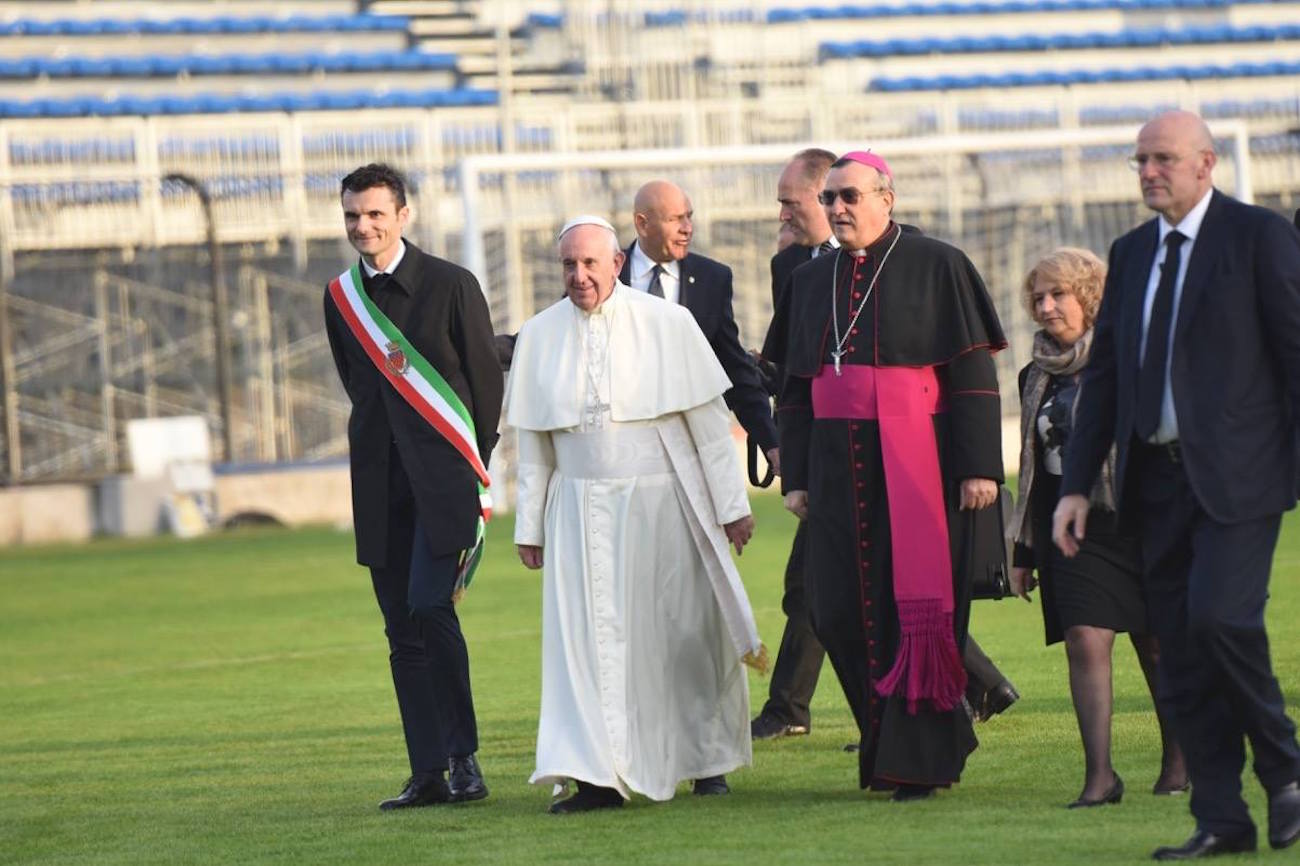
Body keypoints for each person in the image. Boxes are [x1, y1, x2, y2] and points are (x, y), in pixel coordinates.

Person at [1054, 110, 1300, 859]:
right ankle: (1223, 817)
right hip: (1152, 486)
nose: (1149, 171)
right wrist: (1072, 485)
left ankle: (1287, 772)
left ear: (1206, 162)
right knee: (1181, 653)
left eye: (1162, 158)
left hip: (1238, 480)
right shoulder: (1129, 254)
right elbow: (1102, 379)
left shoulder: (1258, 236)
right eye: (1140, 161)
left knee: (1223, 620)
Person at [506, 216, 767, 814]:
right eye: (568, 265)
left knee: (680, 634)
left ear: (617, 263)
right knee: (585, 649)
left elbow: (707, 428)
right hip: (576, 514)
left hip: (661, 506)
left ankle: (705, 760)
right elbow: (536, 445)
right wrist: (530, 526)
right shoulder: (540, 335)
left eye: (590, 263)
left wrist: (732, 509)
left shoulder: (669, 324)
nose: (579, 276)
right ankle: (596, 775)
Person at [775, 151, 1006, 800]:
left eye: (851, 196)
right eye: (830, 200)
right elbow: (794, 387)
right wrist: (795, 474)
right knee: (836, 611)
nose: (839, 208)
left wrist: (980, 468)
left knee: (917, 610)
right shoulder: (810, 280)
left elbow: (972, 374)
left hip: (919, 463)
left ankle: (917, 761)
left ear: (887, 198)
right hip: (832, 462)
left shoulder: (939, 264)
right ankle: (883, 741)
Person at [323, 163, 503, 810]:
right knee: (400, 629)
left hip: (446, 483)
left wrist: (474, 467)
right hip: (378, 486)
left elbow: (485, 383)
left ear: (404, 215)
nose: (362, 226)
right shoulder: (341, 297)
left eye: (374, 213)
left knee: (431, 606)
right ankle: (426, 771)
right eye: (352, 215)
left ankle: (464, 759)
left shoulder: (452, 284)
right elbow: (360, 388)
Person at [1008, 247, 1187, 808]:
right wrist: (1021, 551)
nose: (1045, 306)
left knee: (1158, 647)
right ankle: (1099, 778)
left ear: (1088, 297)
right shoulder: (1033, 375)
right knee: (1085, 639)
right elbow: (1032, 466)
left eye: (1057, 294)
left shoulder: (1136, 360)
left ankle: (1180, 763)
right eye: (1037, 297)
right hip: (1071, 528)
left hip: (1145, 521)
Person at [750, 148, 837, 741]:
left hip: (870, 449)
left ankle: (788, 709)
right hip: (820, 449)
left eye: (790, 201)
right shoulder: (790, 267)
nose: (781, 213)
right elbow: (791, 365)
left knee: (821, 582)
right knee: (818, 582)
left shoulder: (896, 257)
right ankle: (979, 685)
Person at [619, 180, 779, 475]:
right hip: (623, 455)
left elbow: (733, 366)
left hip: (690, 454)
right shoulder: (607, 275)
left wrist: (771, 443)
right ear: (642, 224)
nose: (687, 228)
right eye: (675, 219)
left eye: (689, 216)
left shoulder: (712, 279)